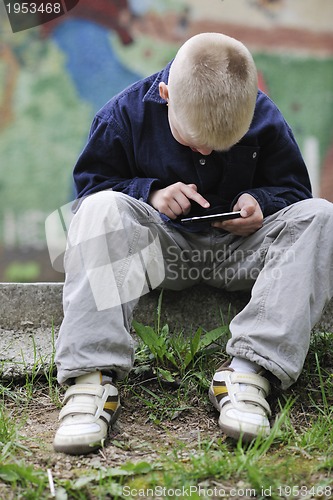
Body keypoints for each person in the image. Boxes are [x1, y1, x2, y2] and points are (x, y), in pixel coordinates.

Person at [52, 32, 333, 454]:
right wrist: (149, 193)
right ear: (165, 95)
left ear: (250, 105)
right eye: (192, 139)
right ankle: (91, 381)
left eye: (223, 144)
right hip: (155, 255)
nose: (204, 149)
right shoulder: (123, 115)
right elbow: (90, 194)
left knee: (322, 215)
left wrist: (260, 202)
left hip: (240, 255)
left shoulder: (264, 115)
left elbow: (295, 192)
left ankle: (249, 374)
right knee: (101, 210)